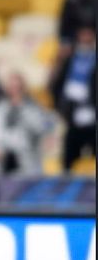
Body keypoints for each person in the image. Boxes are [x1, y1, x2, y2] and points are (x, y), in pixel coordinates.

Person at [0, 72, 57, 180]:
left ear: (24, 89)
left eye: (19, 88)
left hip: (27, 170)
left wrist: (48, 137)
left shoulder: (35, 111)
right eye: (12, 88)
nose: (15, 92)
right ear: (6, 89)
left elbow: (50, 128)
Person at [50, 25, 96, 171]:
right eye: (83, 35)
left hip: (93, 115)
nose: (85, 39)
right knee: (68, 160)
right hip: (73, 115)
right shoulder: (69, 59)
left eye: (89, 35)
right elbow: (56, 85)